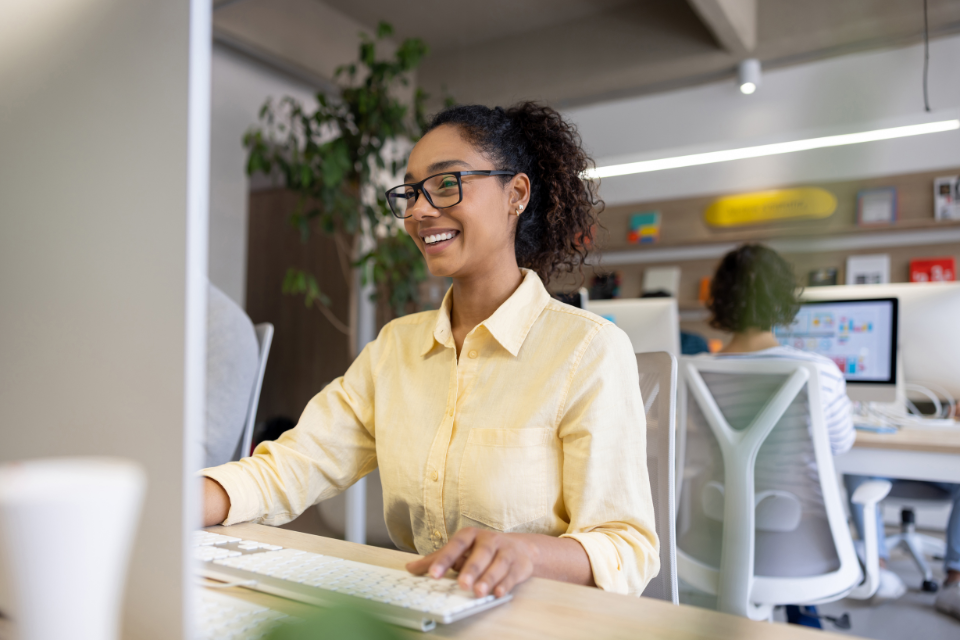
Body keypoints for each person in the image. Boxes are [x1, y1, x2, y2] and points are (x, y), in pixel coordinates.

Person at [201, 103, 660, 599]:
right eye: (411, 191)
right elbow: (292, 466)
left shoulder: (588, 350)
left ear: (516, 194)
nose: (419, 210)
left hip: (542, 619)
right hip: (426, 607)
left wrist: (526, 553)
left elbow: (626, 546)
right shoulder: (396, 348)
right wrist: (177, 500)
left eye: (446, 183)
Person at [677, 244, 902, 627]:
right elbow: (840, 444)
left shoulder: (696, 371)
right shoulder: (818, 370)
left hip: (721, 531)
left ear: (719, 299)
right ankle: (803, 613)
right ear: (784, 297)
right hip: (800, 538)